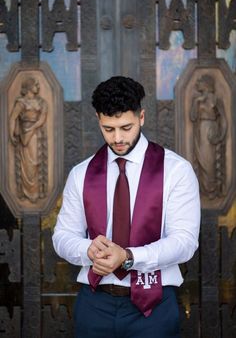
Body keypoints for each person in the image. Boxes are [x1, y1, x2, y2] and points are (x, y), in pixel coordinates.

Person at [53, 76, 200, 338]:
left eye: (126, 127)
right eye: (109, 129)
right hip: (94, 304)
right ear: (98, 119)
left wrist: (128, 258)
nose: (118, 138)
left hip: (154, 306)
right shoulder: (81, 173)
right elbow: (62, 236)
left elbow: (185, 242)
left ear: (141, 117)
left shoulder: (176, 170)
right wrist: (88, 250)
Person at [9, 76, 48, 203]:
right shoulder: (21, 102)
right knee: (27, 165)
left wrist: (32, 128)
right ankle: (26, 192)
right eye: (36, 84)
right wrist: (11, 134)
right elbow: (13, 118)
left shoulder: (42, 102)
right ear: (30, 87)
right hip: (24, 137)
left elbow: (42, 119)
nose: (38, 86)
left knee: (36, 163)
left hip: (35, 135)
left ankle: (36, 192)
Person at [190, 74, 227, 199]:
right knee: (201, 161)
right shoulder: (197, 100)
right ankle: (203, 190)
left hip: (210, 130)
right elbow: (193, 117)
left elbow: (223, 119)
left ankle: (212, 190)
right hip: (200, 131)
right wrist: (196, 102)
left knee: (209, 161)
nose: (197, 84)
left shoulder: (216, 99)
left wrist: (220, 135)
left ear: (206, 85)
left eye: (199, 82)